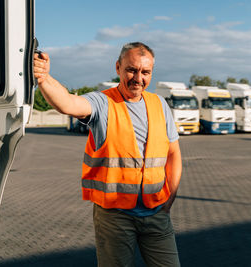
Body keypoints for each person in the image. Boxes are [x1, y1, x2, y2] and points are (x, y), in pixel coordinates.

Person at [34, 42, 182, 267]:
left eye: (145, 72)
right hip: (115, 217)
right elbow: (68, 103)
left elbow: (173, 154)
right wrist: (44, 77)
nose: (138, 78)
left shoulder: (159, 104)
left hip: (156, 213)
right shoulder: (103, 102)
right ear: (118, 68)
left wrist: (170, 198)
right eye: (131, 69)